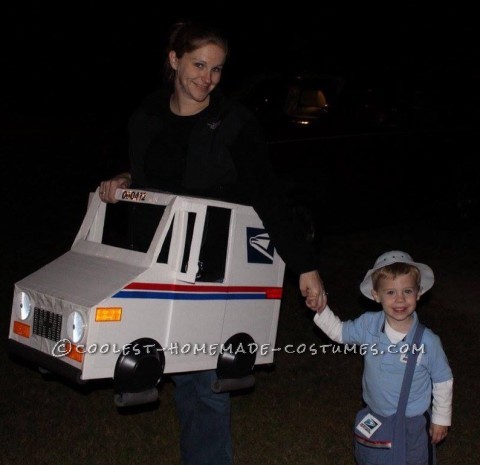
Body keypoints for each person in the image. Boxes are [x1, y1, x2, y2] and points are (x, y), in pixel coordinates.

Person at [99, 20, 327, 465]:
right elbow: (145, 176)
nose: (207, 78)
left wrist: (304, 264)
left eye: (217, 70)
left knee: (204, 380)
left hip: (210, 267)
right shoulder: (146, 114)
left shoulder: (234, 124)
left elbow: (267, 195)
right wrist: (125, 180)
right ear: (174, 60)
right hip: (152, 262)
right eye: (199, 65)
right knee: (166, 364)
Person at [312, 250, 453, 465]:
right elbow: (340, 332)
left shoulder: (428, 342)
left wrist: (441, 419)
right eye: (390, 292)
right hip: (376, 416)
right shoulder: (369, 326)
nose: (400, 299)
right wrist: (322, 311)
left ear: (419, 293)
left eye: (407, 291)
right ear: (376, 295)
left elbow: (443, 380)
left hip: (412, 422)